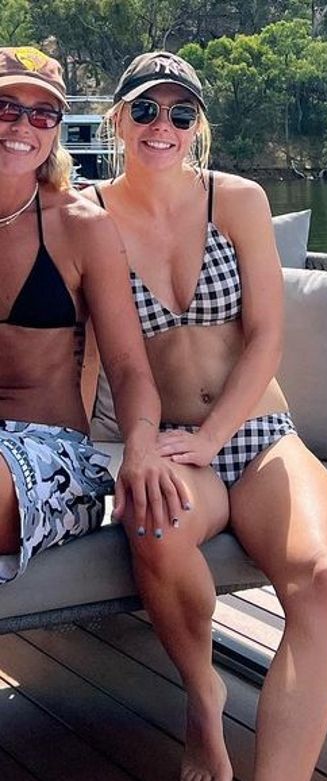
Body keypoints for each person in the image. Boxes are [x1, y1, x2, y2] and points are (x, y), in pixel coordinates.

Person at [87, 50, 327, 781]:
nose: (161, 126)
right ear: (118, 120)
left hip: (256, 432)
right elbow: (117, 361)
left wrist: (215, 435)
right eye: (145, 110)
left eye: (180, 112)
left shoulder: (236, 199)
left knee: (324, 576)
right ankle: (204, 694)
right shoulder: (92, 217)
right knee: (154, 524)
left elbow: (267, 334)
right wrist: (146, 445)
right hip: (169, 442)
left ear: (197, 124)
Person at [0, 46, 187, 586]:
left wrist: (141, 448)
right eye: (6, 108)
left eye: (43, 114)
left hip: (51, 456)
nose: (23, 126)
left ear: (56, 129)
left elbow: (128, 368)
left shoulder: (82, 226)